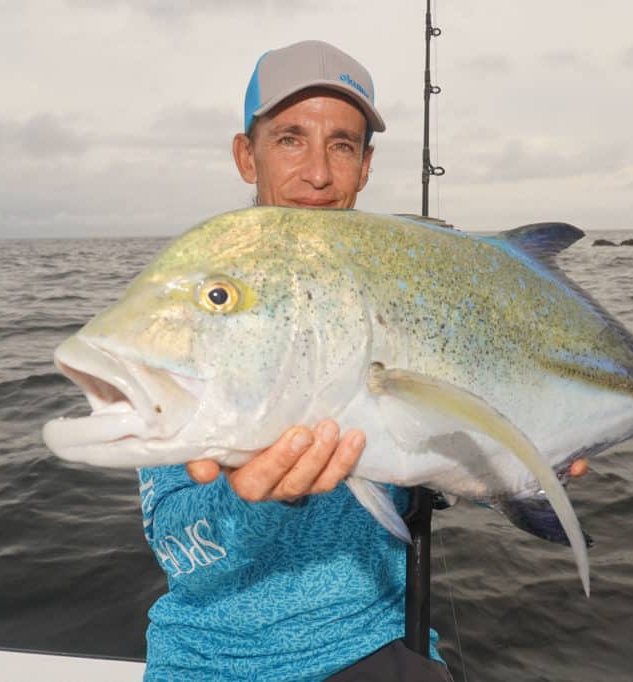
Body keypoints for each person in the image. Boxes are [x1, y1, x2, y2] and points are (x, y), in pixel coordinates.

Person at [136, 40, 456, 681]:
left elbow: (437, 462)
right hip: (214, 660)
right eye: (289, 139)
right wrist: (249, 499)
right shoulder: (192, 307)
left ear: (365, 167)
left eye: (341, 145)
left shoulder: (415, 294)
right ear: (243, 154)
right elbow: (177, 549)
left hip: (385, 642)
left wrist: (515, 468)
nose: (318, 174)